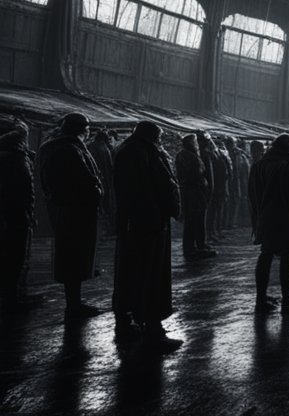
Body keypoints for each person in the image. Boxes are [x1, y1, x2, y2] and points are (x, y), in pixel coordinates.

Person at [111, 122, 183, 352]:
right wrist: (171, 208)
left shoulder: (126, 150)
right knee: (151, 275)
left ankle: (126, 321)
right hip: (150, 221)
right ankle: (152, 329)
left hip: (135, 220)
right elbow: (162, 185)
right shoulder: (146, 153)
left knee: (129, 271)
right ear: (152, 136)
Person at [36, 113, 105, 318]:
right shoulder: (70, 149)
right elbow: (85, 179)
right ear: (81, 129)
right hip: (76, 209)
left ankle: (74, 302)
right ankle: (74, 305)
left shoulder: (51, 147)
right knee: (75, 256)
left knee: (69, 255)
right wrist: (97, 192)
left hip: (61, 208)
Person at [249, 134, 289, 314]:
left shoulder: (259, 164)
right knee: (287, 257)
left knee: (265, 255)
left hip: (265, 217)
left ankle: (261, 299)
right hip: (285, 217)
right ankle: (287, 299)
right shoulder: (286, 164)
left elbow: (252, 194)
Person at [1, 120, 40, 316]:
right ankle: (12, 298)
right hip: (15, 215)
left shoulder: (16, 157)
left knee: (18, 256)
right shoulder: (13, 160)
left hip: (18, 214)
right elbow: (20, 191)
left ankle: (18, 294)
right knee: (15, 257)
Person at [176, 134, 215, 259]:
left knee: (196, 221)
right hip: (193, 194)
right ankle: (191, 249)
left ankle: (198, 246)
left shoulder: (187, 155)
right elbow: (196, 175)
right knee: (193, 221)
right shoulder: (187, 156)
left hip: (196, 193)